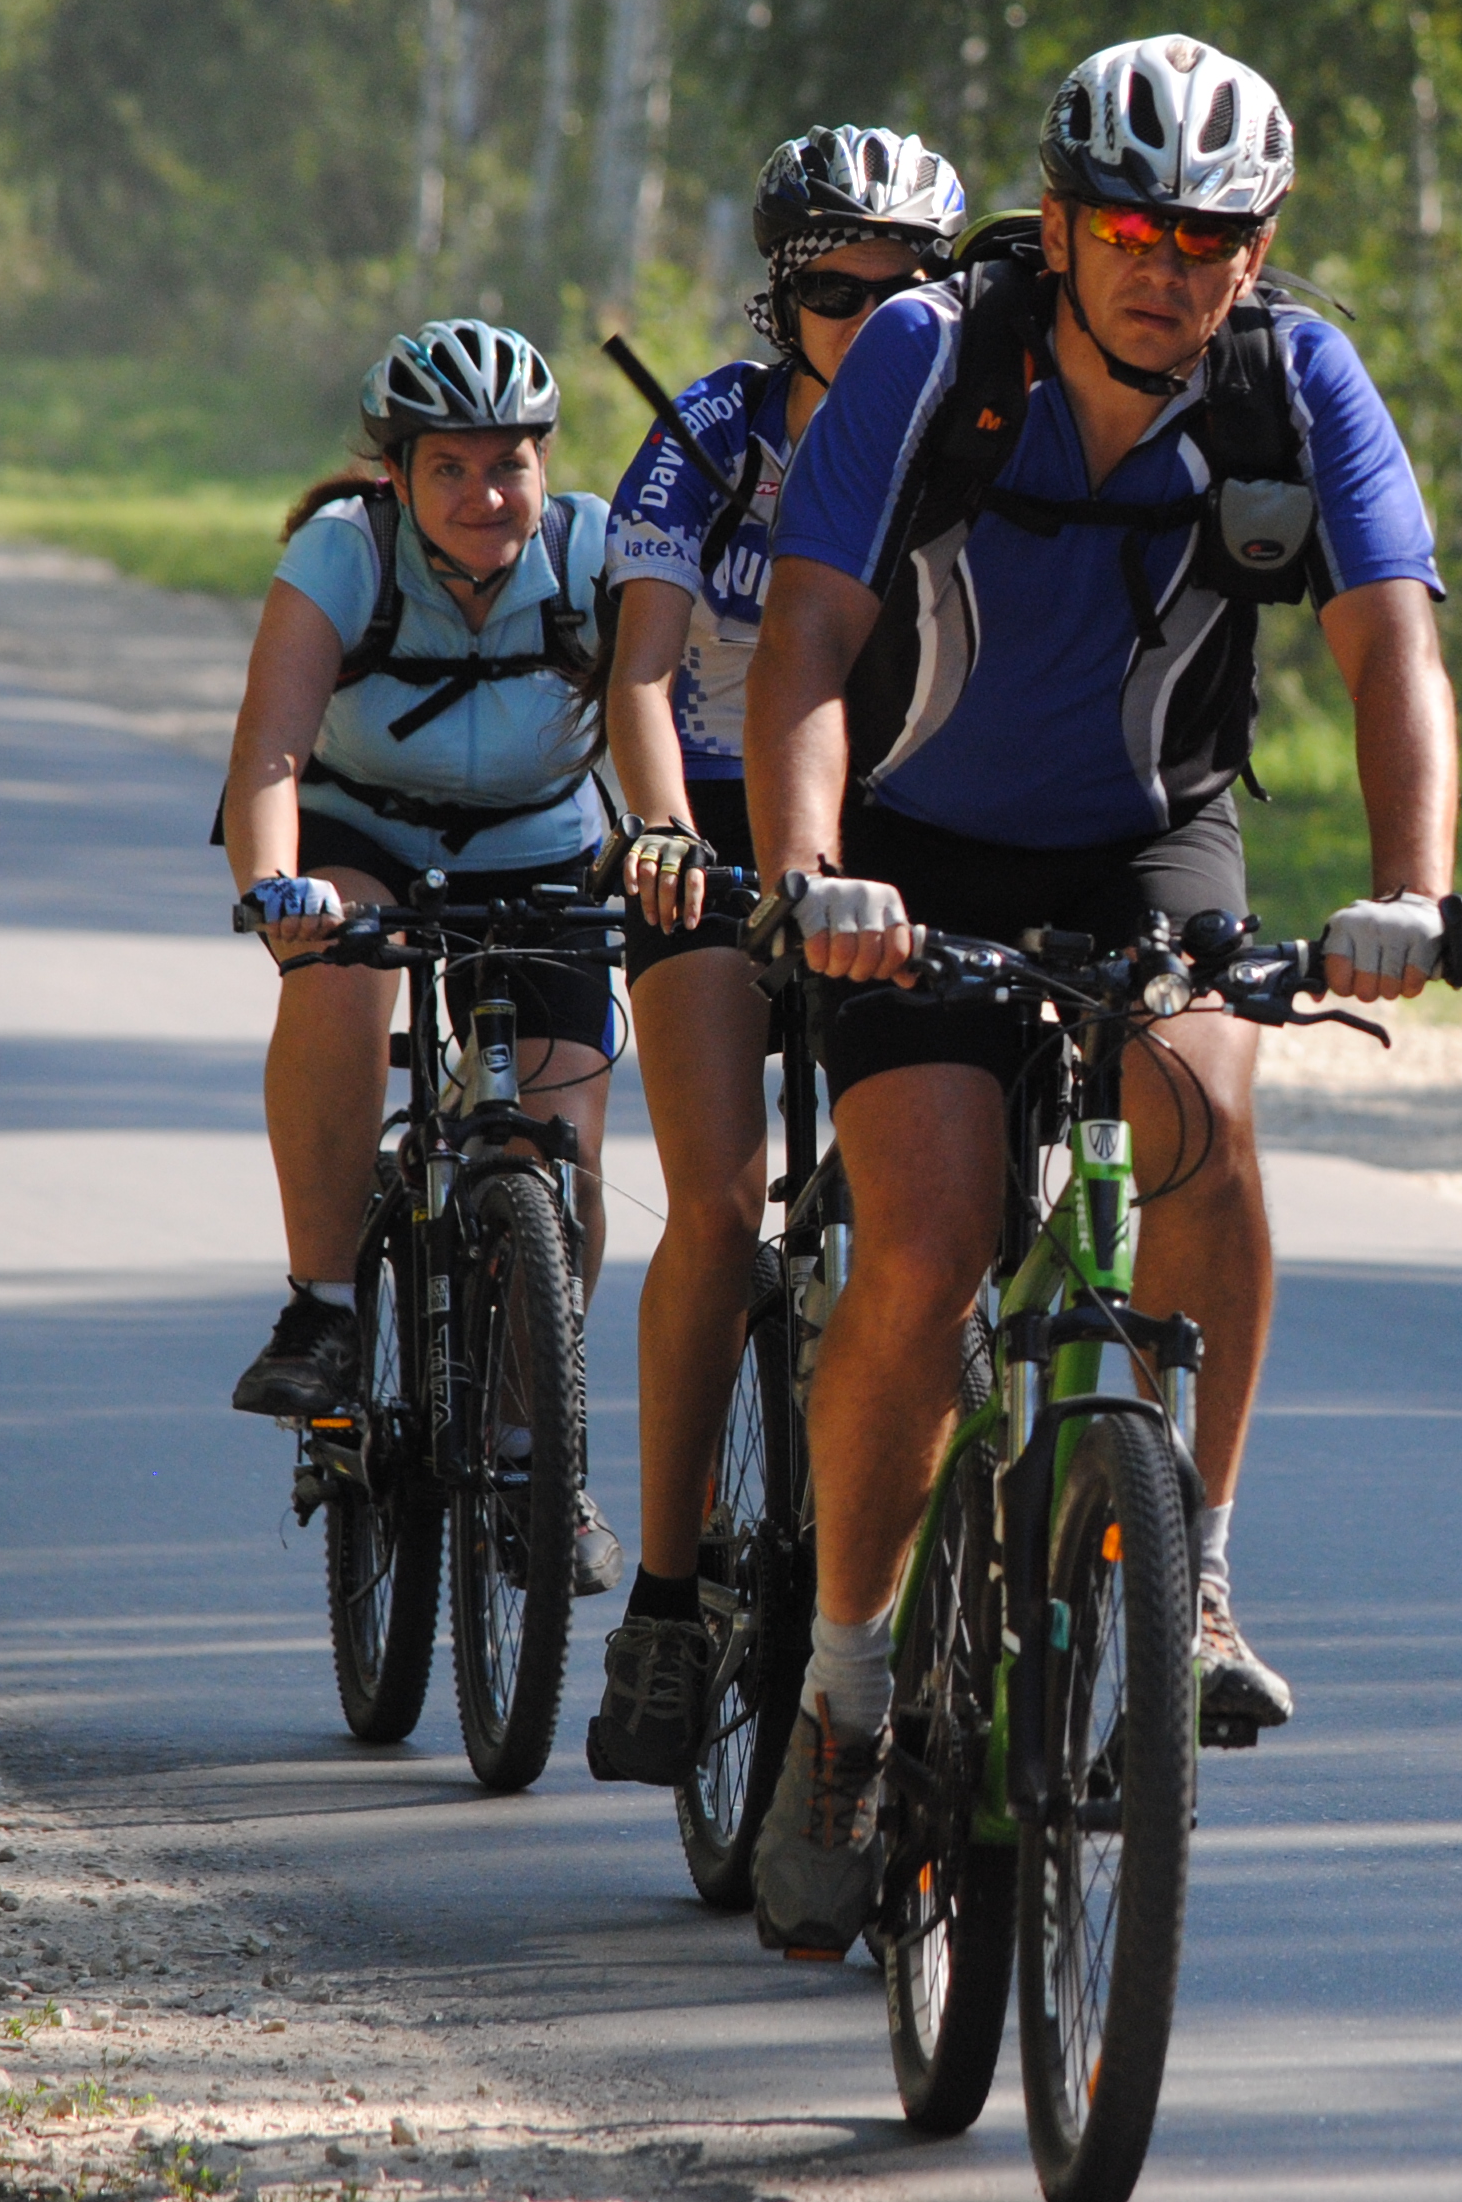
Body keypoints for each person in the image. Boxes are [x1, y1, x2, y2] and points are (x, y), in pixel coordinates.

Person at [738, 34, 1462, 1954]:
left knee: (1208, 1118)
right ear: (1057, 227)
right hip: (909, 853)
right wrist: (810, 874)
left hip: (1153, 838)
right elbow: (806, 635)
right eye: (1131, 229)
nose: (1167, 266)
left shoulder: (1294, 380)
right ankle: (844, 1688)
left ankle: (1192, 1565)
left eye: (1208, 236)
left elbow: (1392, 648)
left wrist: (1411, 889)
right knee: (927, 1241)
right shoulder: (928, 354)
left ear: (1257, 245)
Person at [582, 128, 967, 1787]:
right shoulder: (713, 435)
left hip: (892, 825)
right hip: (716, 823)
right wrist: (664, 835)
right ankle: (668, 1595)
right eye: (836, 291)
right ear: (779, 296)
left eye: (910, 289)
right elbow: (641, 673)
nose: (871, 320)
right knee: (723, 1202)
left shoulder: (971, 432)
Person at [220, 316, 625, 1594]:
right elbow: (270, 750)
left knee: (563, 1151)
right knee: (343, 980)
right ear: (396, 474)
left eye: (509, 464)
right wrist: (276, 888)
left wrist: (675, 852)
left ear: (545, 466)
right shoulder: (343, 553)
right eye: (449, 467)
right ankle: (325, 1309)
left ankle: (531, 1450)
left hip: (540, 845)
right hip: (363, 833)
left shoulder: (593, 554)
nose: (483, 494)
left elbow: (660, 717)